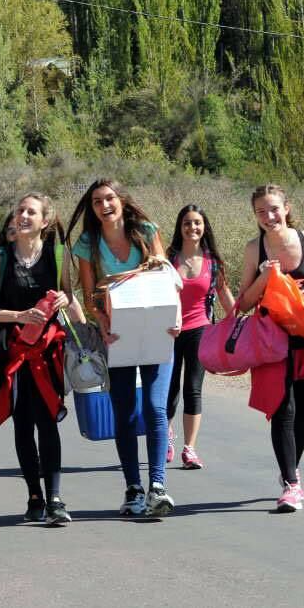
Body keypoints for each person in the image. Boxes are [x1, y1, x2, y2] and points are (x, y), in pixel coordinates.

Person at [67, 179, 180, 517]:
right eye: (97, 201)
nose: (104, 205)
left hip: (157, 331)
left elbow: (166, 277)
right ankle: (133, 488)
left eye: (109, 198)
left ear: (121, 200)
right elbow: (88, 296)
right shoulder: (87, 243)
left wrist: (176, 317)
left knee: (155, 408)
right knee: (126, 412)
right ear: (92, 208)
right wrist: (100, 321)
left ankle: (157, 487)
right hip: (116, 336)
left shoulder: (145, 231)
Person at [0, 194, 85, 525]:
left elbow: (72, 303)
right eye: (20, 210)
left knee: (47, 421)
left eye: (31, 212)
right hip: (15, 354)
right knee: (23, 424)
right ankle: (34, 495)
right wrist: (19, 315)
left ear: (44, 221)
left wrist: (68, 301)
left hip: (49, 353)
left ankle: (55, 498)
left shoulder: (57, 254)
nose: (23, 215)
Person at [235, 185, 304, 513]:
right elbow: (243, 303)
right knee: (282, 410)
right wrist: (263, 279)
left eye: (273, 209)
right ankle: (291, 483)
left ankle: (292, 471)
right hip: (273, 344)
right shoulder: (254, 249)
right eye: (261, 212)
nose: (269, 217)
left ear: (286, 208)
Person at [165, 205, 235, 470]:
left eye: (197, 223)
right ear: (179, 227)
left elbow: (225, 294)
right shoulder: (168, 258)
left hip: (200, 329)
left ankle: (189, 449)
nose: (192, 228)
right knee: (169, 388)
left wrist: (238, 323)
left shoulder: (212, 262)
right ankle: (166, 439)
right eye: (187, 223)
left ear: (204, 227)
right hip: (169, 331)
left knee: (193, 388)